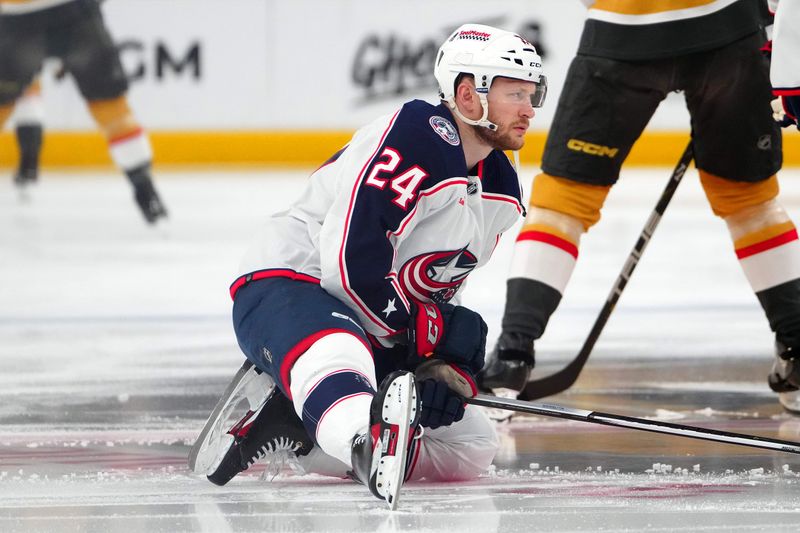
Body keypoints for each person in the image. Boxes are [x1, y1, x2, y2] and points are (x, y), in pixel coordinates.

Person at [189, 23, 547, 508]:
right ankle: (363, 442)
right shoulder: (419, 137)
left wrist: (436, 367)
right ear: (467, 95)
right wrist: (423, 339)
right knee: (339, 350)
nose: (529, 109)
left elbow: (437, 284)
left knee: (472, 445)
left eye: (533, 94)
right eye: (515, 94)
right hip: (292, 283)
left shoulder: (500, 187)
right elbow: (349, 265)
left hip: (372, 318)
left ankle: (302, 431)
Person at [477, 0, 800, 414]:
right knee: (750, 201)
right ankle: (796, 346)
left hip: (624, 26)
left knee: (563, 203)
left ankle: (512, 357)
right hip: (730, 31)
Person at [0, 0, 167, 224]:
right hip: (75, 15)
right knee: (111, 108)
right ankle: (145, 189)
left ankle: (145, 187)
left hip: (18, 22)